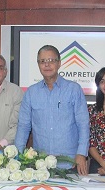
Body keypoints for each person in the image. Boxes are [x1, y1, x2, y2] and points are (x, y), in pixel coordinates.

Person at [15, 45, 90, 175]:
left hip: (70, 164)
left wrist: (81, 153)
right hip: (40, 165)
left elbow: (83, 124)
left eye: (51, 60)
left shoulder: (73, 89)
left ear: (59, 63)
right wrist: (17, 158)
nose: (47, 65)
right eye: (42, 61)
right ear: (38, 65)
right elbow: (23, 127)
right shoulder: (31, 93)